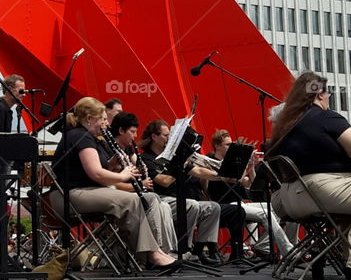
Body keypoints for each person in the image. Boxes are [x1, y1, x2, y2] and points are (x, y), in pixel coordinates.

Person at [50, 98, 179, 271]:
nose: (105, 123)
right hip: (68, 196)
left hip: (82, 191)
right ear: (89, 119)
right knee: (131, 201)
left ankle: (152, 253)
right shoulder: (80, 136)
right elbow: (95, 173)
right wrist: (123, 175)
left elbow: (91, 170)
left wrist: (111, 164)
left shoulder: (89, 137)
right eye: (102, 119)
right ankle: (152, 255)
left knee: (135, 200)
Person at [266, 72, 351, 266]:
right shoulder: (327, 118)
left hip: (287, 199)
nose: (328, 97)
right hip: (321, 191)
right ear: (320, 94)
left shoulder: (285, 126)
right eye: (327, 93)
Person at [138, 120, 222, 265]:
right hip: (161, 200)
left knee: (213, 207)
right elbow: (163, 181)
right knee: (191, 205)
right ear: (154, 136)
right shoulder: (147, 158)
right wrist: (181, 164)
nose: (168, 139)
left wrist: (222, 175)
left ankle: (199, 251)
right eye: (165, 136)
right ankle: (183, 249)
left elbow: (198, 171)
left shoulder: (173, 157)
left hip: (180, 200)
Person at [208, 129, 292, 259]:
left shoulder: (233, 163)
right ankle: (288, 251)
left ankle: (262, 245)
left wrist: (251, 166)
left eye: (232, 144)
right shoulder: (211, 162)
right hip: (225, 204)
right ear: (217, 146)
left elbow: (250, 185)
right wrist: (243, 162)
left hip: (239, 203)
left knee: (278, 207)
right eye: (228, 145)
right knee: (266, 213)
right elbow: (234, 179)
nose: (231, 147)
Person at [104, 111, 177, 254]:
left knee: (164, 207)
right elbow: (109, 183)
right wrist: (140, 185)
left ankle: (169, 250)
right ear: (120, 131)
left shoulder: (126, 150)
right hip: (117, 195)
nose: (135, 136)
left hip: (129, 194)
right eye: (132, 132)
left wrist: (139, 179)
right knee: (153, 198)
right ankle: (157, 251)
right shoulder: (108, 149)